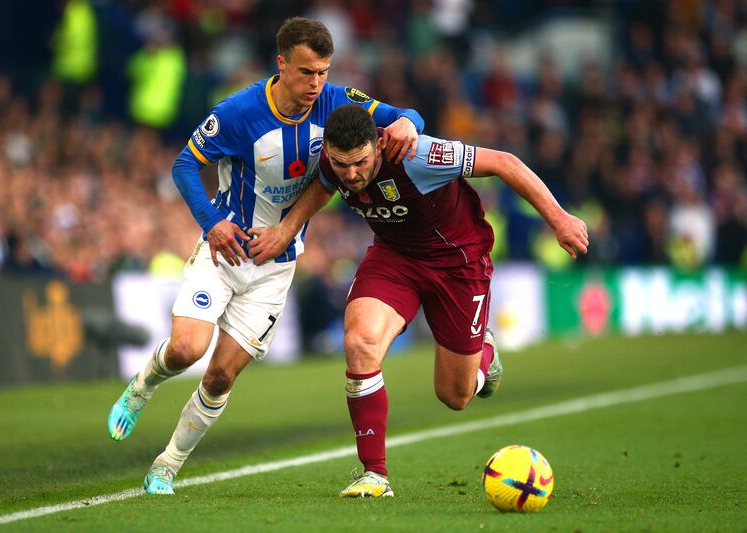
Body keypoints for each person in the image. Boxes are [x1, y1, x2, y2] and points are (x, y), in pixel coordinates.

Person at [106, 17, 425, 495]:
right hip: (226, 251)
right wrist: (211, 223)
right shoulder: (240, 112)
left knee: (219, 376)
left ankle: (165, 467)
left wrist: (406, 123)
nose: (316, 83)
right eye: (305, 72)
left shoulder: (338, 102)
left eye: (322, 71)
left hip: (276, 268)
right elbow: (185, 164)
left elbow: (408, 116)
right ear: (281, 65)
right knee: (187, 350)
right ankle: (144, 384)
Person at [248, 105, 588, 497]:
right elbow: (323, 184)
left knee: (455, 396)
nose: (352, 175)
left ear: (378, 146)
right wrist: (286, 230)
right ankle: (374, 474)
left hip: (458, 265)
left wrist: (559, 219)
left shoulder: (418, 153)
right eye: (344, 165)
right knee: (360, 343)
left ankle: (485, 352)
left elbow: (505, 162)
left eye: (360, 162)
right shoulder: (332, 160)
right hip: (395, 258)